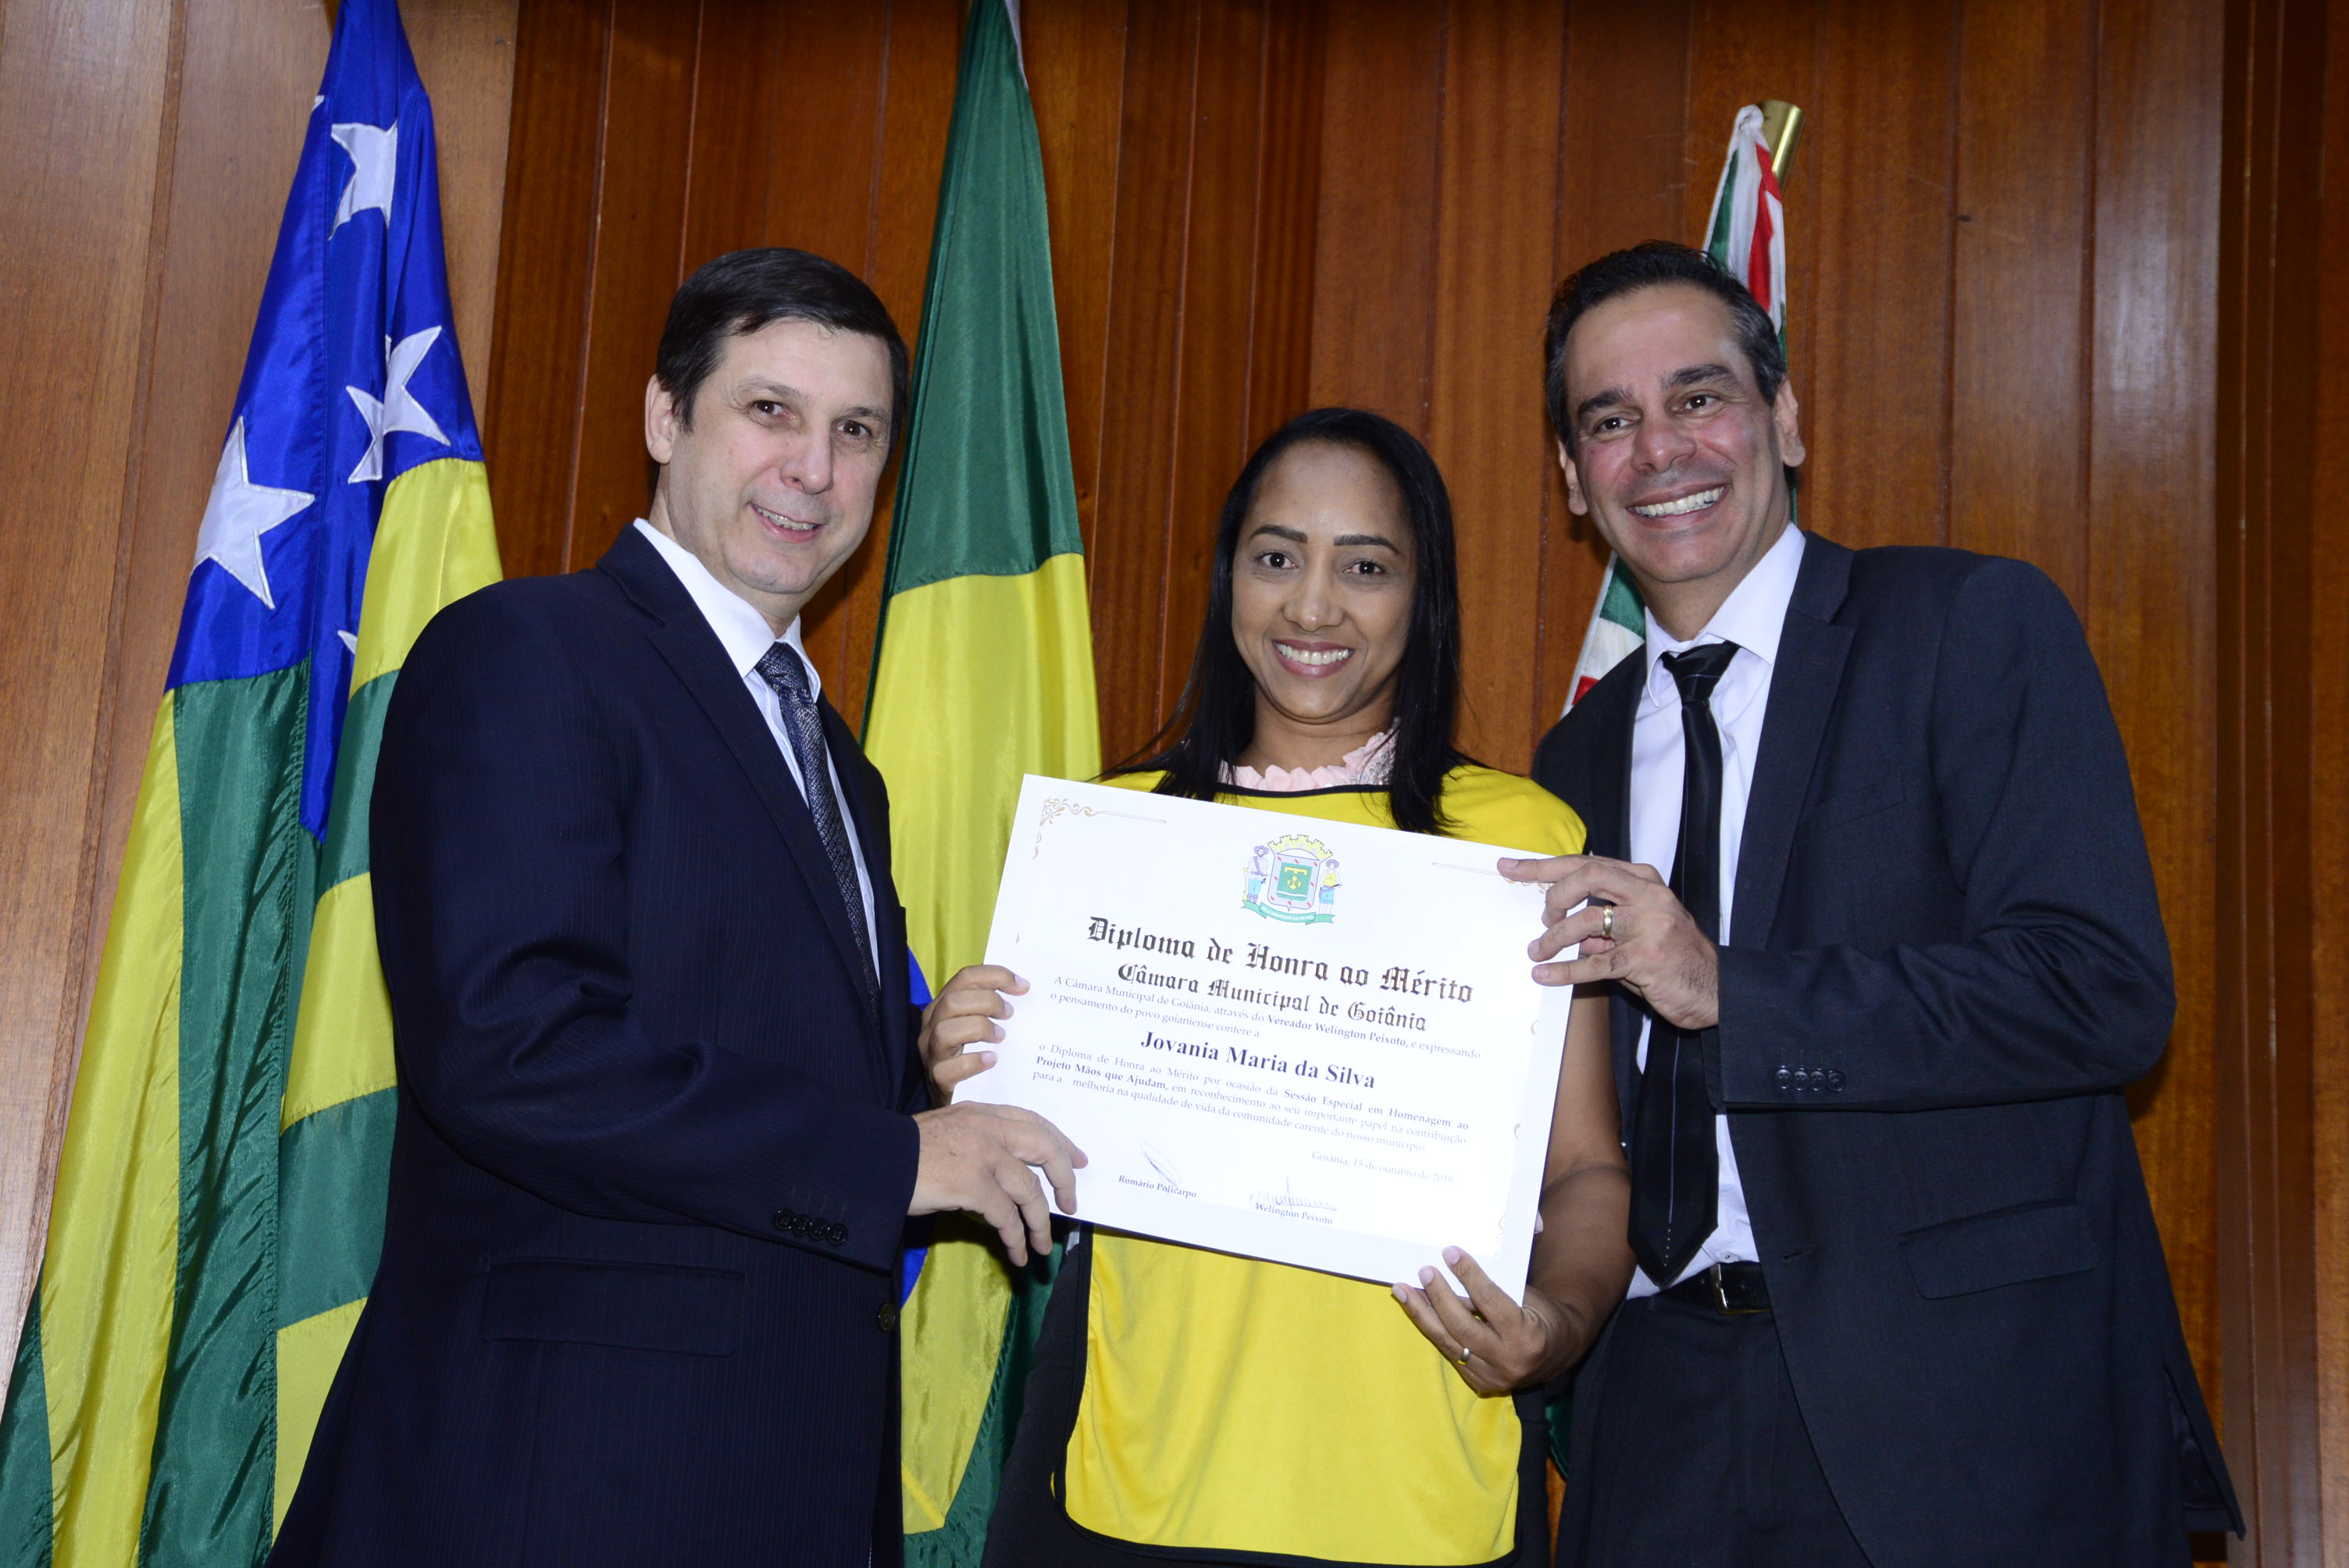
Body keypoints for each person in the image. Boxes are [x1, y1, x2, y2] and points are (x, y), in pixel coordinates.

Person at [269, 248, 1085, 1567]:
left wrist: (925, 1077)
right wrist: (896, 1160)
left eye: (857, 432)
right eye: (770, 411)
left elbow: (761, 1068)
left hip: (782, 1487)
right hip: (556, 1487)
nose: (813, 469)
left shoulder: (841, 768)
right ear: (664, 416)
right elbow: (513, 1051)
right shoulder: (526, 652)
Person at [1512, 241, 2240, 1564]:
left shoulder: (1966, 626)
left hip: (1956, 1409)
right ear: (1572, 476)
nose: (1660, 449)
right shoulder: (1564, 767)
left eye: (1697, 397)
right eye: (1609, 421)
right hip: (1653, 1414)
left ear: (1785, 418)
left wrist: (1732, 991)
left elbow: (2101, 992)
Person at [923, 408, 1634, 1566]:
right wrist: (963, 1057)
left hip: (1418, 1487)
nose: (1313, 607)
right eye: (1276, 557)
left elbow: (1586, 1168)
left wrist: (1555, 1324)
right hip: (1139, 1475)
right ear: (1229, 579)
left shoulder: (1524, 844)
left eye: (1366, 567)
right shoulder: (1109, 835)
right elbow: (1018, 1153)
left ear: (1424, 596)